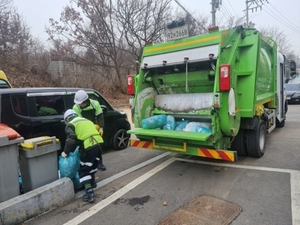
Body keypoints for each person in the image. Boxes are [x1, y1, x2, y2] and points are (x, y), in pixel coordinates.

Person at [61, 109, 103, 203]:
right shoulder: (85, 120)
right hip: (99, 143)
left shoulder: (70, 124)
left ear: (66, 119)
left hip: (89, 145)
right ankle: (92, 182)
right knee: (92, 165)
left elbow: (71, 140)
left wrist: (65, 152)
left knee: (83, 170)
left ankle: (89, 193)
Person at [72, 89, 106, 171]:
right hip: (83, 129)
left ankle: (99, 162)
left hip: (95, 128)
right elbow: (79, 121)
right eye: (78, 103)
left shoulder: (95, 104)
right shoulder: (75, 107)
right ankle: (87, 163)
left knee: (97, 146)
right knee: (85, 147)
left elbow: (100, 116)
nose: (79, 105)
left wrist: (101, 127)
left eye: (81, 103)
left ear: (86, 101)